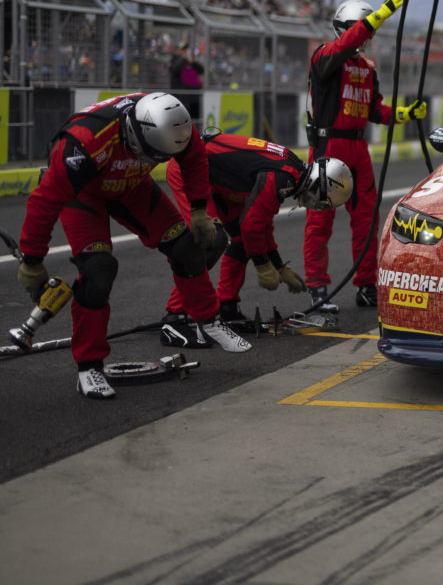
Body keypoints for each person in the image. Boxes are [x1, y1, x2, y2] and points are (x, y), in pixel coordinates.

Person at [16, 92, 243, 399]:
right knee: (98, 271)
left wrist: (200, 209)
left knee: (188, 248)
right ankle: (89, 367)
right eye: (151, 155)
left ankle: (209, 321)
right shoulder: (82, 144)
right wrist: (32, 260)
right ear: (134, 134)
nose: (153, 162)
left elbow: (194, 159)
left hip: (132, 186)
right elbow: (43, 202)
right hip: (84, 194)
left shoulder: (175, 123)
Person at [304, 0, 427, 313]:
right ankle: (318, 288)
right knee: (320, 222)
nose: (367, 38)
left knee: (366, 222)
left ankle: (366, 284)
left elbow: (375, 111)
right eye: (363, 29)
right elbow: (343, 47)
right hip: (328, 145)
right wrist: (380, 15)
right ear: (345, 28)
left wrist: (404, 114)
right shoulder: (324, 57)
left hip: (359, 148)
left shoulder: (369, 69)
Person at [163, 130, 352, 327]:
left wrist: (279, 266)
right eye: (322, 202)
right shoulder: (283, 177)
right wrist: (263, 266)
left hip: (215, 178)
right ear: (320, 186)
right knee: (210, 241)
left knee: (238, 242)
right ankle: (177, 312)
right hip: (191, 170)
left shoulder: (292, 171)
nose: (317, 206)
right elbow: (252, 227)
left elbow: (262, 223)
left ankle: (226, 305)